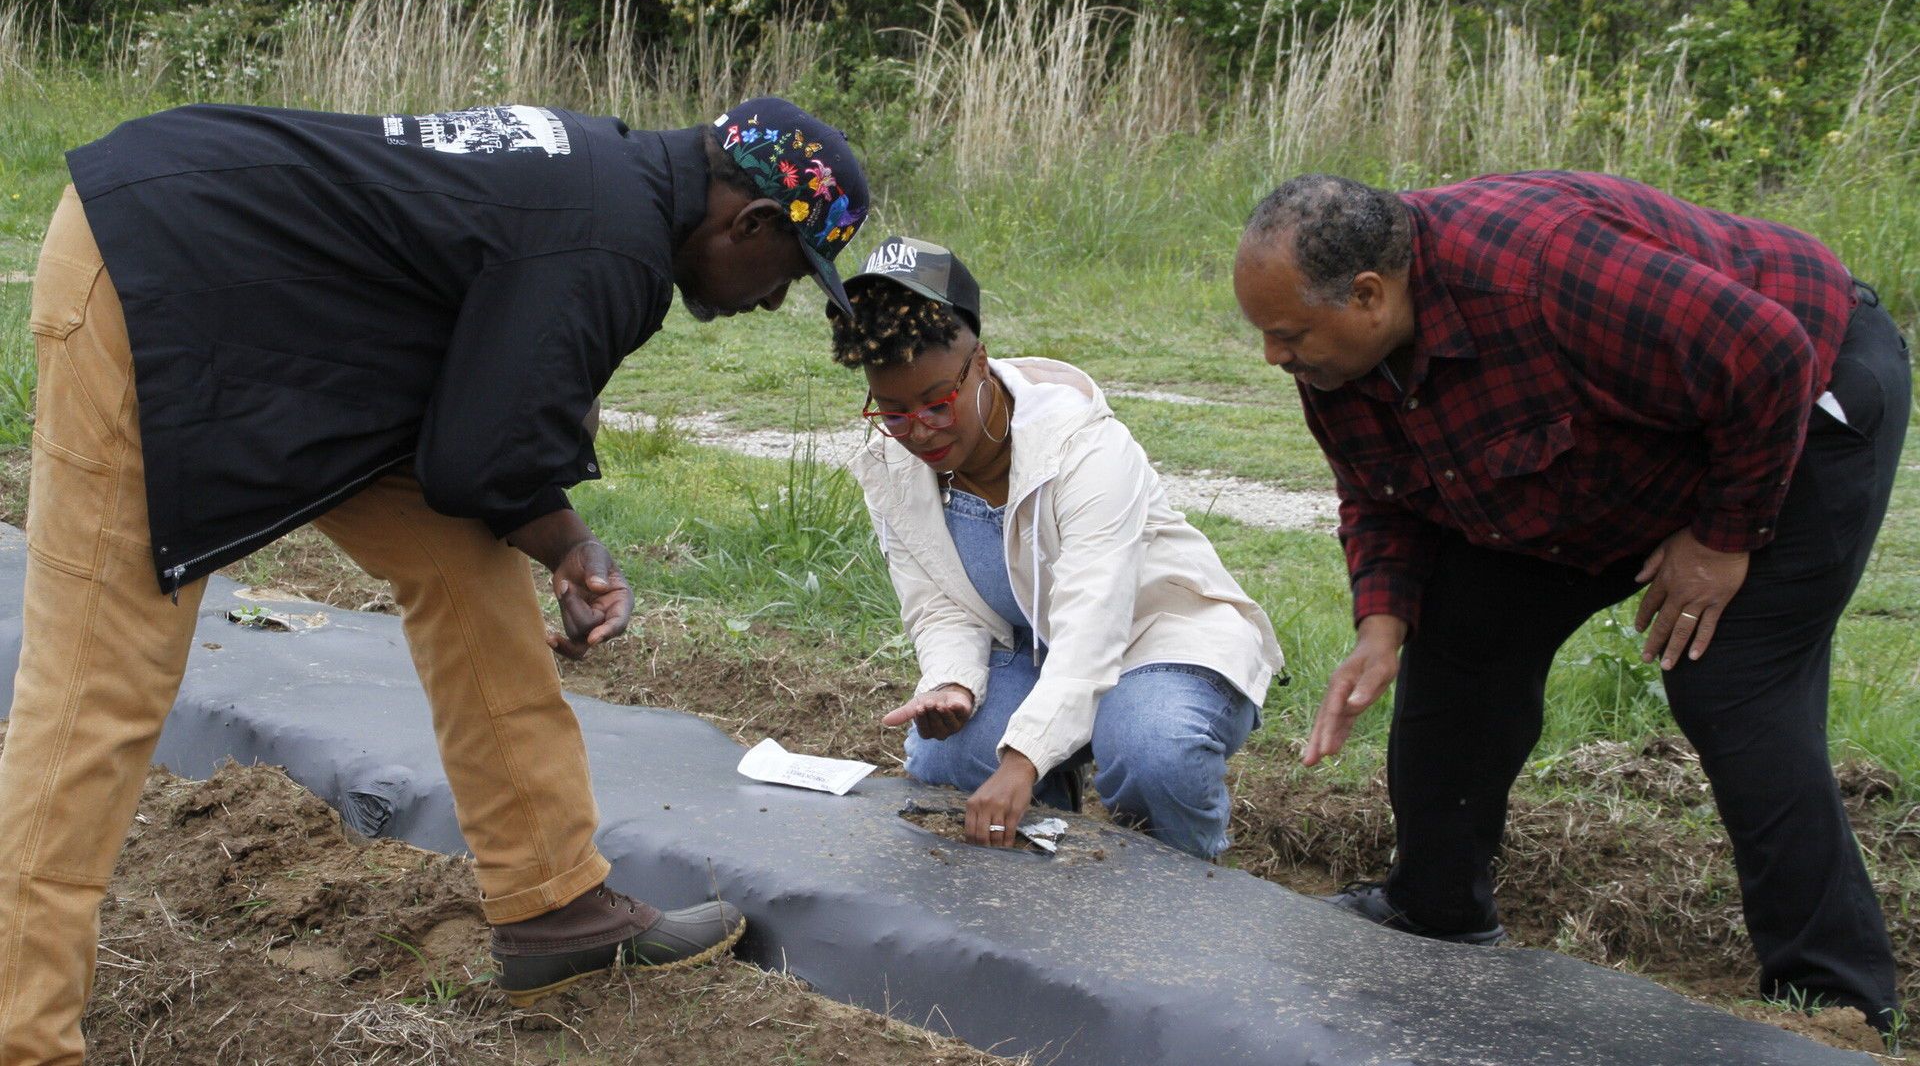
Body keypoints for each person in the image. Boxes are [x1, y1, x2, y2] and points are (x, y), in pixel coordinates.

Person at [0, 95, 869, 1060]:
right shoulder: (611, 242)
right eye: (789, 271)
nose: (774, 299)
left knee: (468, 573)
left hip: (300, 326)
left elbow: (482, 421)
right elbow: (477, 459)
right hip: (160, 268)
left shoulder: (602, 185)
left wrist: (564, 542)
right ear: (746, 223)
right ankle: (23, 1035)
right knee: (98, 683)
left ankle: (554, 904)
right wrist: (564, 529)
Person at [1232, 171, 1906, 1027]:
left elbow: (1766, 354)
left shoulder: (1542, 272)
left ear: (1368, 294)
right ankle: (1434, 908)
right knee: (1465, 633)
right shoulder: (1338, 353)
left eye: (1286, 335)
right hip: (1608, 452)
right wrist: (1381, 621)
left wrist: (1723, 537)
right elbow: (1381, 491)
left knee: (1729, 679)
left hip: (1803, 394)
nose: (1273, 358)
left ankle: (1833, 1000)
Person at [833, 236, 1285, 860]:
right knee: (947, 754)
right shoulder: (890, 465)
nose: (920, 432)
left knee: (1154, 751)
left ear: (981, 364)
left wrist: (1022, 759)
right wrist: (953, 683)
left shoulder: (1084, 448)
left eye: (937, 403)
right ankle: (1048, 867)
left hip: (1159, 637)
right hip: (1038, 647)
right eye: (893, 412)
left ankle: (1192, 893)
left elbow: (1094, 623)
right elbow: (941, 605)